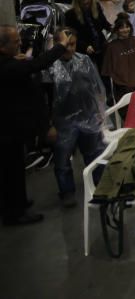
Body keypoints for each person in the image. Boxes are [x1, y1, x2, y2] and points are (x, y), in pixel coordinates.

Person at [1, 25, 67, 225]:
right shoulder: (7, 66)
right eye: (15, 42)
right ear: (3, 47)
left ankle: (18, 202)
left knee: (15, 168)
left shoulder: (9, 62)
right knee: (10, 170)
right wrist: (60, 46)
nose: (20, 43)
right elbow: (37, 64)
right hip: (7, 130)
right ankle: (15, 212)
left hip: (13, 127)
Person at [42, 28, 107, 209]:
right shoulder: (50, 67)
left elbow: (97, 88)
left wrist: (101, 111)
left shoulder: (84, 61)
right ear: (56, 44)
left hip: (88, 116)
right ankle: (67, 192)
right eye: (65, 45)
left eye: (73, 44)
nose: (69, 49)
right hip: (63, 121)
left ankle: (100, 183)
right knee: (62, 159)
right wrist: (48, 125)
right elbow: (46, 99)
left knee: (94, 153)